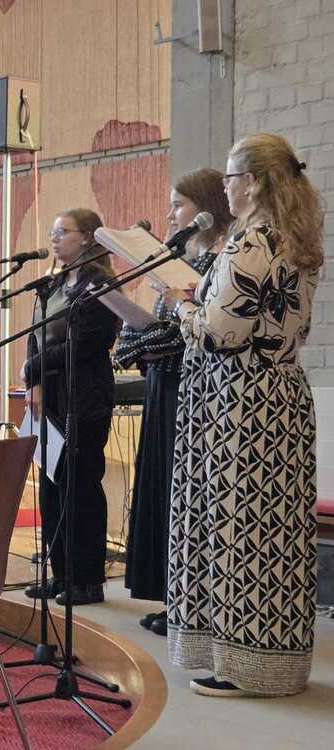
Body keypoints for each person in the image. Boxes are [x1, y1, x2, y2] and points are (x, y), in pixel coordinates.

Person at [162, 133, 323, 697]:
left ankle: (238, 665)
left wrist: (181, 303)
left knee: (236, 530)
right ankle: (273, 663)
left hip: (239, 404)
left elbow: (218, 333)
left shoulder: (250, 242)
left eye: (230, 177)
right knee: (274, 533)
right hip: (279, 394)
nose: (226, 187)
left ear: (250, 182)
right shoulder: (295, 239)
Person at [117, 170, 234, 637]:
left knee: (182, 495)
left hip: (191, 390)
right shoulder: (185, 264)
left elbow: (183, 336)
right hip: (161, 386)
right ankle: (172, 597)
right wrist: (146, 338)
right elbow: (144, 337)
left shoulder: (215, 264)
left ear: (206, 207)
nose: (171, 215)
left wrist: (156, 335)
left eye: (179, 205)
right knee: (161, 491)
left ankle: (189, 603)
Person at [22, 209, 119, 606]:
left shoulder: (101, 286)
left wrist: (34, 367)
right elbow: (35, 334)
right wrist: (34, 381)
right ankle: (60, 573)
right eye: (53, 231)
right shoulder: (54, 283)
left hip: (84, 395)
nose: (55, 238)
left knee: (79, 488)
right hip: (51, 394)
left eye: (63, 231)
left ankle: (87, 580)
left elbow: (84, 344)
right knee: (51, 488)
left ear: (88, 237)